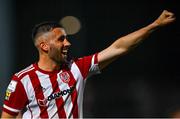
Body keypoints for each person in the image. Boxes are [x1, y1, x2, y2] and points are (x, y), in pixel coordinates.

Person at [1, 10, 175, 118]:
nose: (68, 43)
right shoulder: (22, 80)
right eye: (61, 39)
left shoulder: (76, 68)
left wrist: (155, 25)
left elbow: (119, 47)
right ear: (44, 46)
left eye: (67, 38)